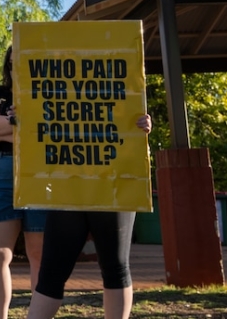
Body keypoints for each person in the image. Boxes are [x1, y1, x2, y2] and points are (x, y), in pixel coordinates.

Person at [26, 114, 152, 319]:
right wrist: (22, 114)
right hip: (69, 179)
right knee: (52, 272)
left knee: (115, 267)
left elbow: (133, 106)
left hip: (113, 177)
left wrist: (142, 124)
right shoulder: (54, 86)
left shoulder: (125, 84)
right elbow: (37, 112)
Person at [0, 45, 46, 319]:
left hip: (41, 171)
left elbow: (52, 131)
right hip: (4, 171)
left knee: (40, 254)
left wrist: (6, 129)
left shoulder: (49, 92)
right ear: (7, 65)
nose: (15, 65)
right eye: (11, 61)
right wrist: (22, 124)